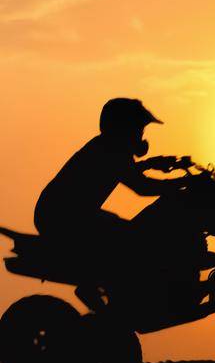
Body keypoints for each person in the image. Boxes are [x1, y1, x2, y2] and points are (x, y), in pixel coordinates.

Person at [33, 98, 191, 261]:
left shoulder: (105, 145)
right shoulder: (114, 149)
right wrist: (183, 183)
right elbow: (141, 187)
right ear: (124, 127)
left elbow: (119, 171)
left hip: (57, 215)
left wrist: (151, 163)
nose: (141, 135)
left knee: (120, 228)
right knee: (133, 241)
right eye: (138, 128)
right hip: (64, 218)